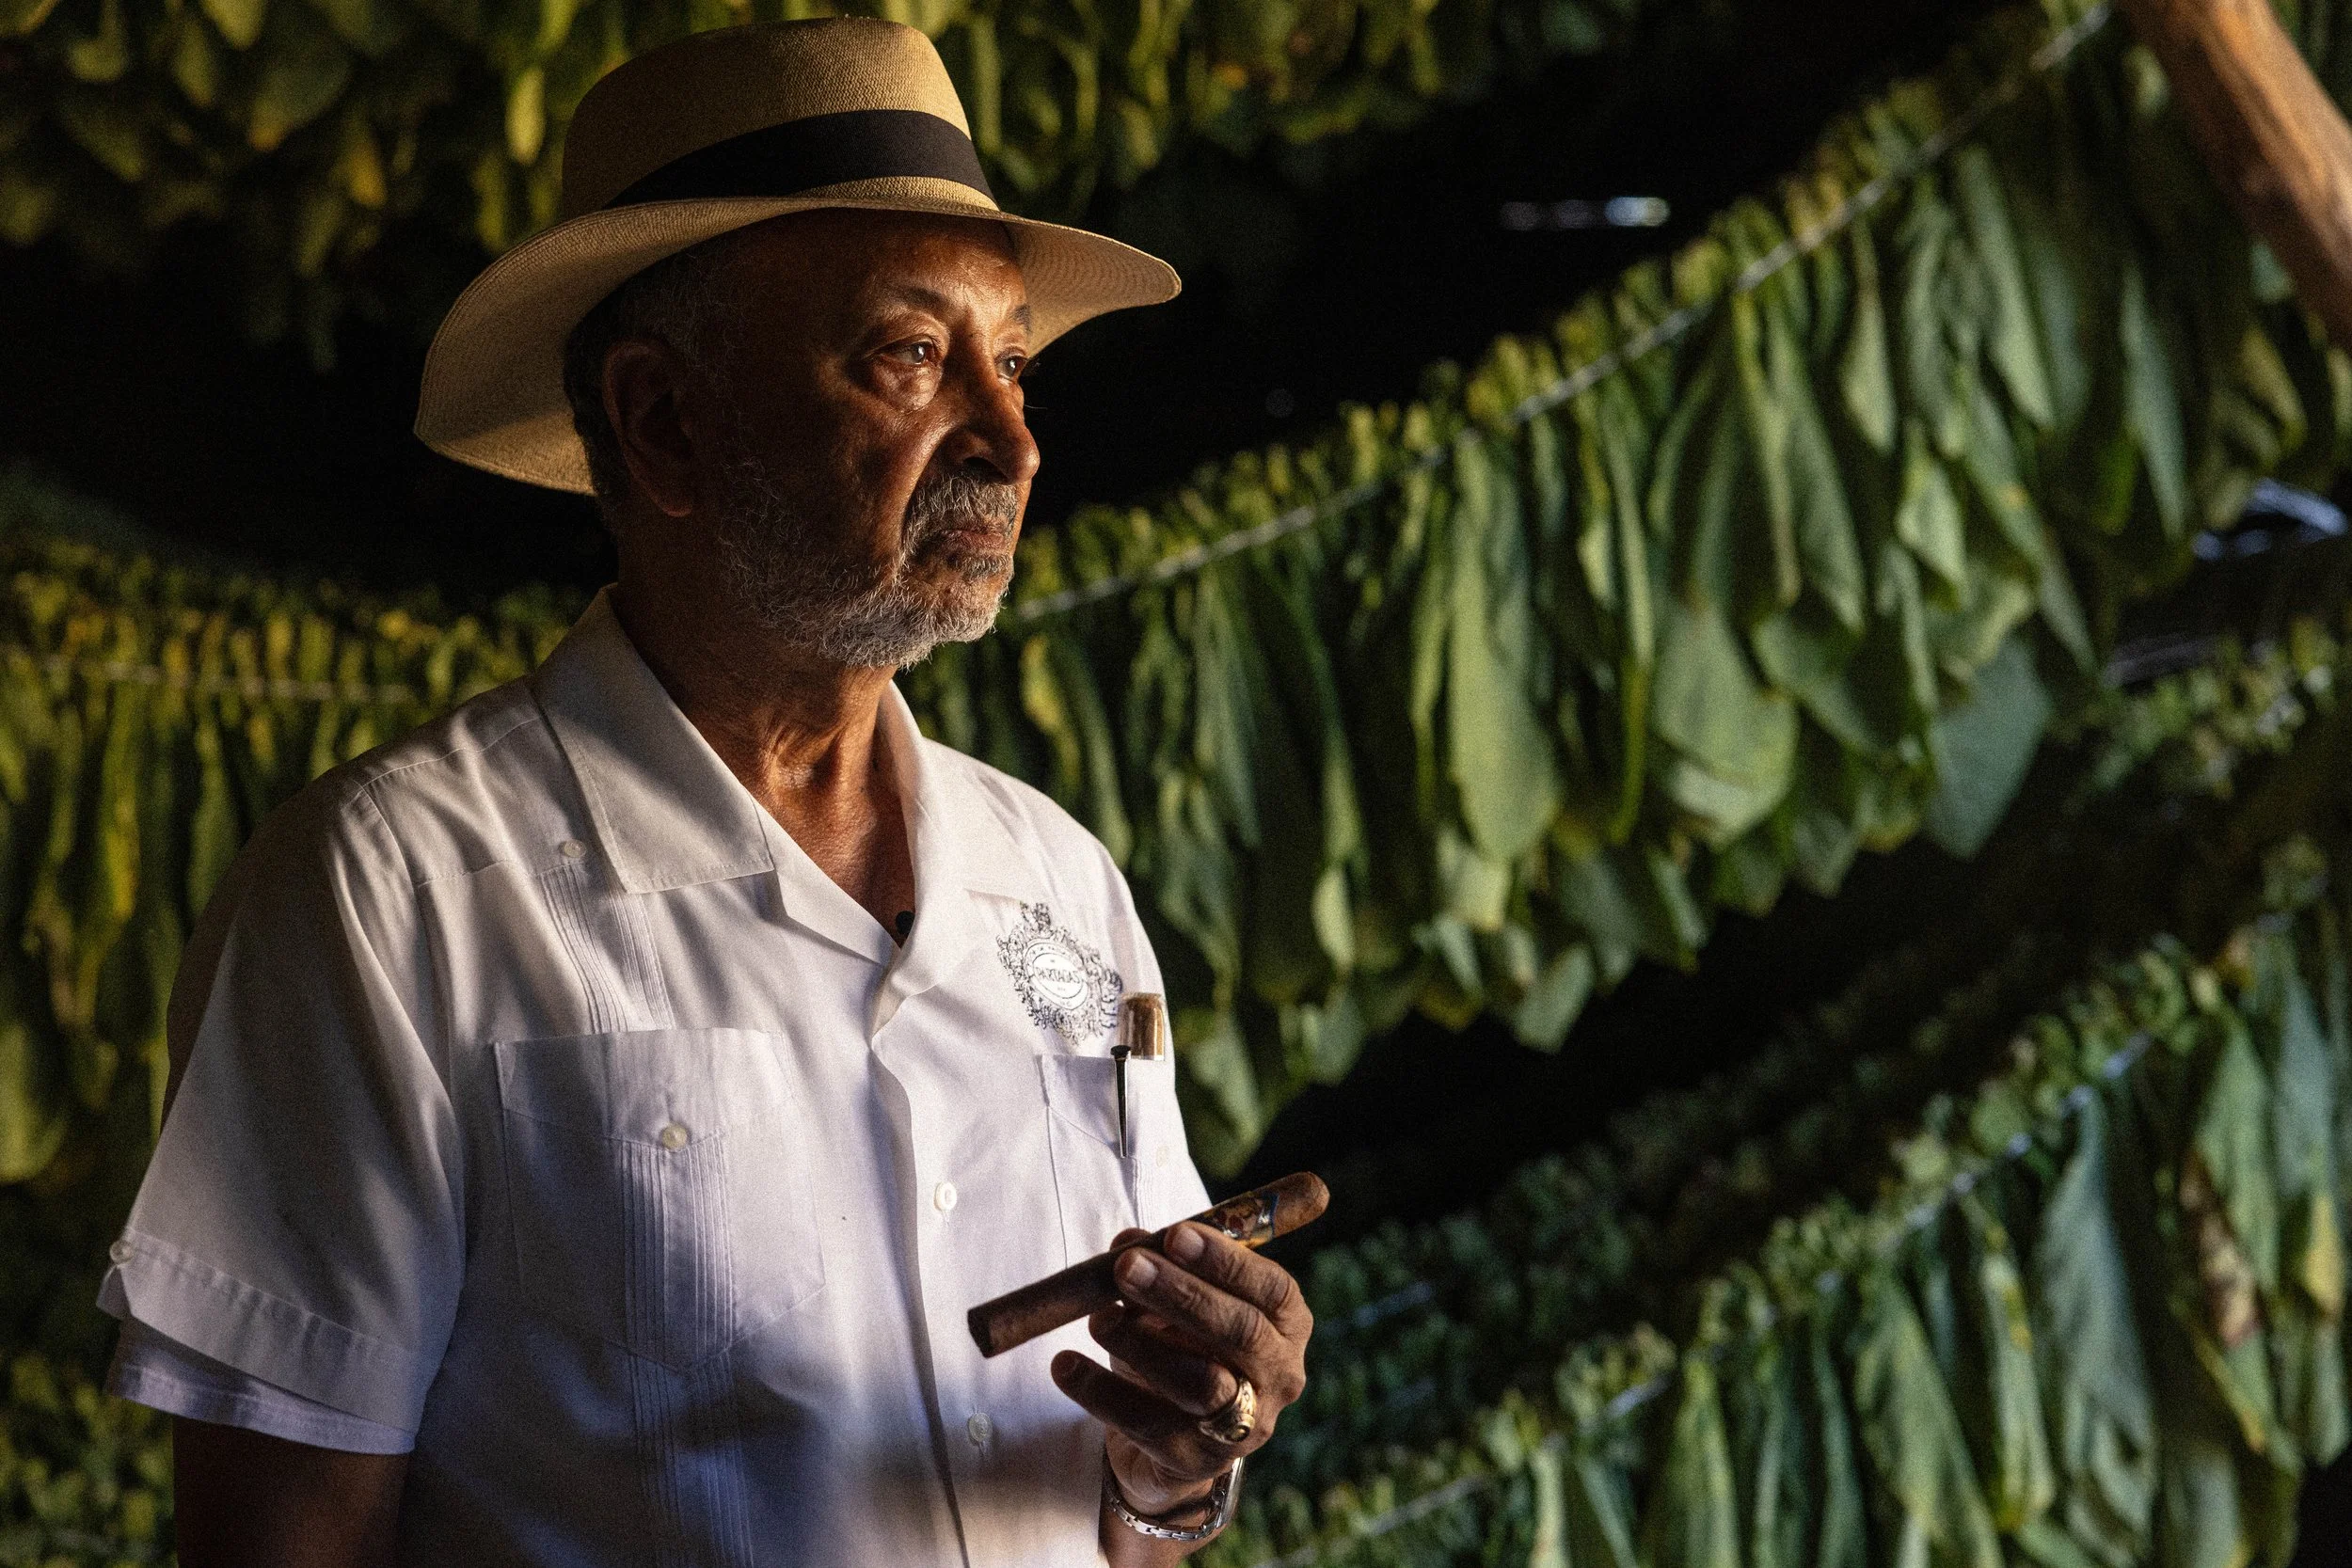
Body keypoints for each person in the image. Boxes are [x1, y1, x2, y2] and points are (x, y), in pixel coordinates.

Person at [95, 17, 1311, 1566]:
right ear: (668, 419)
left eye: (1010, 360)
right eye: (912, 355)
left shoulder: (1058, 886)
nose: (1011, 437)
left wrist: (1172, 1466)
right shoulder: (391, 896)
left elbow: (1119, 1520)